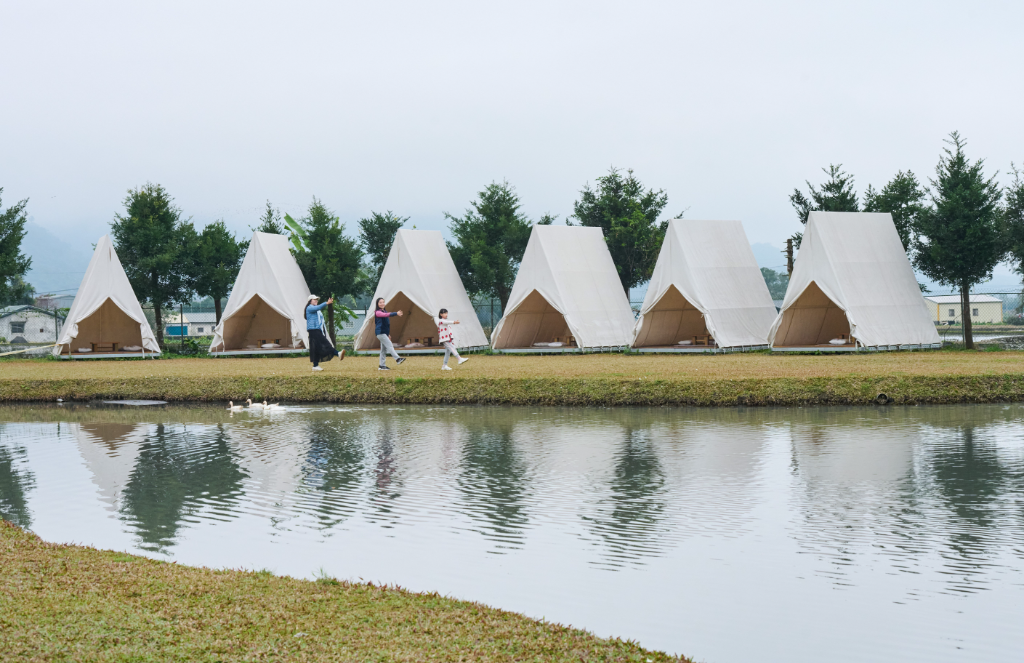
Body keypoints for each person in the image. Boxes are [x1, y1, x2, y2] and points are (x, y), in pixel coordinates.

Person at [305, 295, 344, 371]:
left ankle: (315, 366)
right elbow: (318, 307)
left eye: (317, 299)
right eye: (314, 299)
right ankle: (337, 353)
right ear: (310, 301)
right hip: (314, 330)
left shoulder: (314, 309)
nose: (316, 300)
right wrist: (327, 303)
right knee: (325, 343)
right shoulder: (309, 308)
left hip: (316, 330)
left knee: (316, 348)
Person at [374, 297, 405, 371]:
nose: (382, 304)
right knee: (389, 345)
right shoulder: (377, 312)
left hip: (383, 333)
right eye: (380, 302)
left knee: (383, 350)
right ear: (377, 304)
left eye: (383, 302)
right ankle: (397, 359)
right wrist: (396, 313)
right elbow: (386, 315)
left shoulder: (384, 311)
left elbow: (386, 325)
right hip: (380, 332)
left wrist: (388, 334)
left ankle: (382, 366)